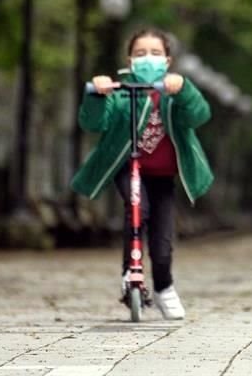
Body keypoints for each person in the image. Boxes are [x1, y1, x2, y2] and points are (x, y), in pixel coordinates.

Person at [72, 28, 214, 320]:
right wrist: (98, 95)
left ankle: (164, 286)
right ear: (129, 60)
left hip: (163, 176)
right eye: (140, 53)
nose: (147, 58)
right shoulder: (120, 92)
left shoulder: (173, 93)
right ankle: (130, 273)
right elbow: (94, 123)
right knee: (137, 210)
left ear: (167, 60)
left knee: (162, 240)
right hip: (129, 168)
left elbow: (199, 114)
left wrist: (184, 89)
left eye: (155, 53)